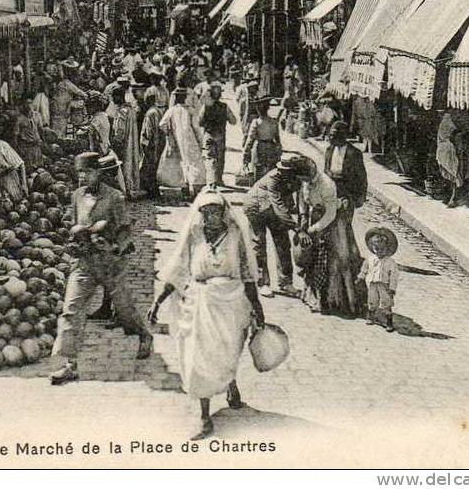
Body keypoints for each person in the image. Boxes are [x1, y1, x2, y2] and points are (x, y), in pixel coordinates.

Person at [148, 189, 265, 440]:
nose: (211, 217)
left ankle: (231, 386)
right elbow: (179, 267)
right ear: (200, 214)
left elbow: (247, 273)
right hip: (200, 302)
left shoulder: (235, 235)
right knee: (199, 358)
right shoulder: (194, 234)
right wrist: (158, 301)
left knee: (228, 351)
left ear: (224, 213)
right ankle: (204, 415)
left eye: (216, 211)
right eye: (206, 212)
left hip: (230, 302)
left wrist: (258, 309)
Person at [50, 152, 153, 385]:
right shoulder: (76, 196)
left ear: (99, 173)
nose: (83, 177)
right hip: (85, 263)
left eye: (87, 172)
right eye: (79, 173)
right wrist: (74, 242)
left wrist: (115, 247)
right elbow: (73, 226)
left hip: (110, 263)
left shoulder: (114, 197)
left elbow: (126, 229)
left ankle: (144, 335)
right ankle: (70, 365)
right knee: (71, 309)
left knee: (124, 308)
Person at [243, 156, 306, 297]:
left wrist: (302, 221)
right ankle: (262, 283)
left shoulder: (295, 179)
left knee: (283, 243)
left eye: (287, 170)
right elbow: (279, 206)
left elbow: (299, 201)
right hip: (255, 208)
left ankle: (285, 282)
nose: (283, 172)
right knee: (258, 244)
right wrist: (296, 228)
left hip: (272, 210)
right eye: (281, 169)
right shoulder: (273, 178)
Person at [321, 121, 367, 312]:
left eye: (334, 134)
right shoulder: (329, 151)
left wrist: (356, 199)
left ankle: (348, 288)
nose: (330, 137)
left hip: (346, 197)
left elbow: (361, 178)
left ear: (343, 135)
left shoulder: (354, 154)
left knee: (343, 236)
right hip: (331, 196)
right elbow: (324, 173)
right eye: (330, 133)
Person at [294, 157, 344, 315]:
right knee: (308, 257)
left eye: (304, 179)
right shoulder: (304, 181)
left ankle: (325, 299)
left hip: (328, 223)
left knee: (324, 262)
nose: (304, 182)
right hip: (311, 217)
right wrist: (302, 216)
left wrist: (315, 228)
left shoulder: (327, 185)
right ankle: (309, 295)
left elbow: (331, 213)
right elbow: (302, 199)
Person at [158, 87, 206, 198]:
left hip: (176, 139)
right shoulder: (190, 110)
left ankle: (184, 187)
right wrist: (200, 142)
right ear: (184, 98)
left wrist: (169, 133)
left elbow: (162, 124)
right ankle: (192, 190)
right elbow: (197, 128)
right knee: (193, 163)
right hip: (189, 140)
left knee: (181, 163)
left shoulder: (172, 110)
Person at [359, 227, 400, 332]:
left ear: (387, 248)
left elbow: (394, 276)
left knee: (386, 303)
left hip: (384, 286)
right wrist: (361, 277)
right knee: (372, 300)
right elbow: (365, 268)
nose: (379, 252)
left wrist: (392, 288)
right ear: (372, 248)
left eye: (382, 249)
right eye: (376, 249)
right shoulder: (370, 259)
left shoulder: (390, 262)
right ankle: (371, 316)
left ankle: (389, 321)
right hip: (372, 284)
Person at [198, 82, 237, 187]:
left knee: (210, 158)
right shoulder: (224, 107)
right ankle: (219, 180)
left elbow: (199, 122)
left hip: (209, 135)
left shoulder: (205, 107)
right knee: (220, 158)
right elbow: (234, 121)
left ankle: (211, 181)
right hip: (220, 135)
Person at [111, 86, 141, 199]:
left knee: (126, 166)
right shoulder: (131, 110)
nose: (113, 100)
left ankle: (128, 191)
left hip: (125, 143)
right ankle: (133, 190)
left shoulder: (121, 112)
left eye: (114, 97)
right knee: (132, 164)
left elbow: (120, 132)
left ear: (119, 97)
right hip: (132, 141)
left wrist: (115, 142)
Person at [243, 97, 283, 182]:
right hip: (271, 148)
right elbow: (278, 139)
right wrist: (279, 151)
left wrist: (246, 153)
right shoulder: (274, 122)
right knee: (271, 173)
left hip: (259, 149)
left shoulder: (256, 122)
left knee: (259, 173)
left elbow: (250, 140)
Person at [435, 111, 468, 207]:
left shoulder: (445, 122)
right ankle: (452, 197)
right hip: (446, 151)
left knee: (451, 173)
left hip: (445, 151)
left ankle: (452, 197)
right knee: (452, 173)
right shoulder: (446, 122)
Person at [139, 89, 166, 200]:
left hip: (151, 145)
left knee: (149, 168)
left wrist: (145, 145)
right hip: (156, 144)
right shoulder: (157, 111)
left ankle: (151, 192)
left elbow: (150, 132)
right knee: (151, 168)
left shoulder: (151, 113)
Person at [51, 61, 87, 138]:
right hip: (61, 109)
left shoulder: (59, 83)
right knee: (60, 129)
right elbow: (80, 92)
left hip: (56, 107)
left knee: (56, 127)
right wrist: (86, 94)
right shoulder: (66, 83)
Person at [13, 95, 44, 171]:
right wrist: (18, 148)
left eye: (30, 103)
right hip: (26, 146)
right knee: (28, 168)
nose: (28, 105)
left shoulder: (37, 116)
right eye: (26, 103)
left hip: (36, 145)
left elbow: (41, 130)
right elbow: (15, 134)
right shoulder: (19, 119)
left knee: (39, 167)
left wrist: (42, 140)